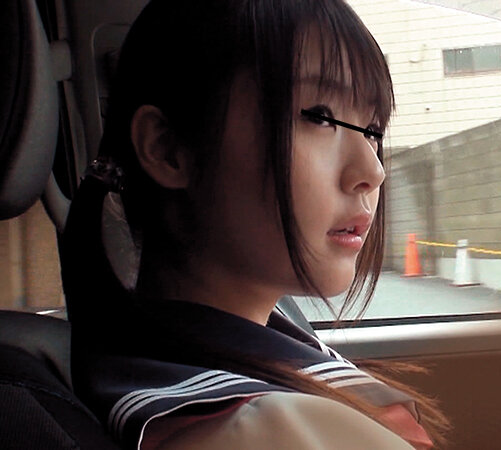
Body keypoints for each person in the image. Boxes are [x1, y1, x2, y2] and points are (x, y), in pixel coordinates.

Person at [60, 0, 448, 448]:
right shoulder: (262, 429)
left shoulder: (198, 358)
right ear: (169, 149)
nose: (373, 171)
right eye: (320, 116)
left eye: (373, 130)